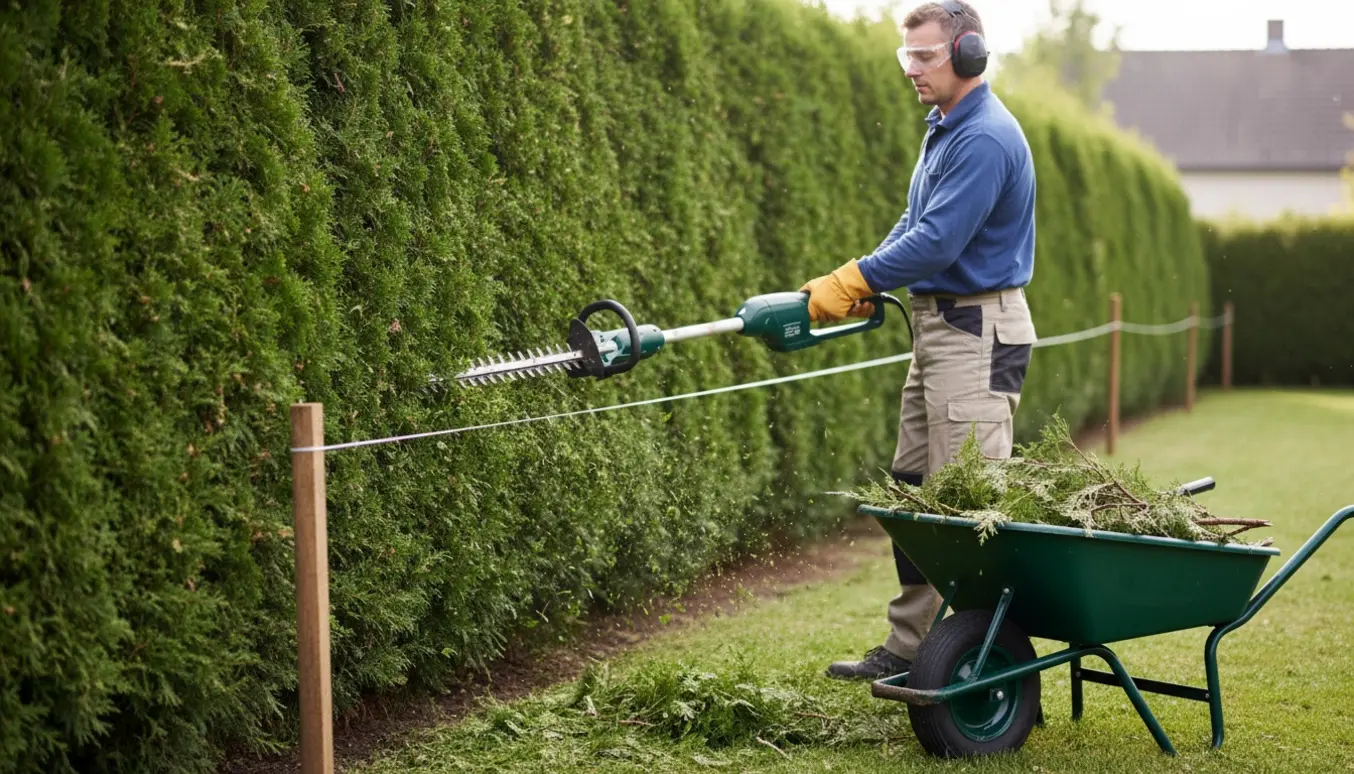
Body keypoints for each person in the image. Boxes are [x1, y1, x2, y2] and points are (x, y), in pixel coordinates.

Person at [798, 0, 1039, 681]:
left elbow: (938, 242)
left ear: (968, 55)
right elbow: (913, 224)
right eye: (906, 56)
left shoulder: (986, 136)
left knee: (966, 505)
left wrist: (855, 277)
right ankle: (911, 647)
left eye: (925, 55)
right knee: (913, 490)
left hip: (978, 330)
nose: (912, 70)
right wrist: (859, 278)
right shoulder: (945, 128)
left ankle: (991, 665)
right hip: (940, 326)